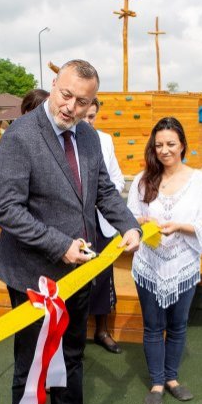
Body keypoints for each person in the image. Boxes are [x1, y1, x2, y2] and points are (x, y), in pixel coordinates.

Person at [0, 59, 141, 404]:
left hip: (78, 273)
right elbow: (4, 209)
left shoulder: (88, 138)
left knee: (72, 353)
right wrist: (60, 245)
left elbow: (104, 192)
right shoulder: (19, 138)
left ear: (94, 104)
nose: (71, 107)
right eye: (66, 95)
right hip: (34, 276)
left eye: (83, 101)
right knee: (33, 365)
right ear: (53, 85)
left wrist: (129, 226)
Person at [127, 117, 202, 404]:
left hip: (183, 263)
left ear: (182, 146)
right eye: (159, 145)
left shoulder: (200, 182)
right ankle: (156, 382)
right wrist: (144, 221)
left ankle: (172, 378)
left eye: (170, 144)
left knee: (178, 325)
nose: (165, 150)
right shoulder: (143, 179)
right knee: (153, 326)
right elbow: (129, 217)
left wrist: (180, 226)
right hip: (150, 263)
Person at [84, 97, 126, 353]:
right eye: (84, 116)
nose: (88, 121)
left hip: (101, 221)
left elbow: (117, 179)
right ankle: (73, 334)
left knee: (102, 277)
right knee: (75, 278)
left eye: (92, 117)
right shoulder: (65, 139)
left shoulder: (105, 141)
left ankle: (102, 330)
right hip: (75, 223)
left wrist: (103, 196)